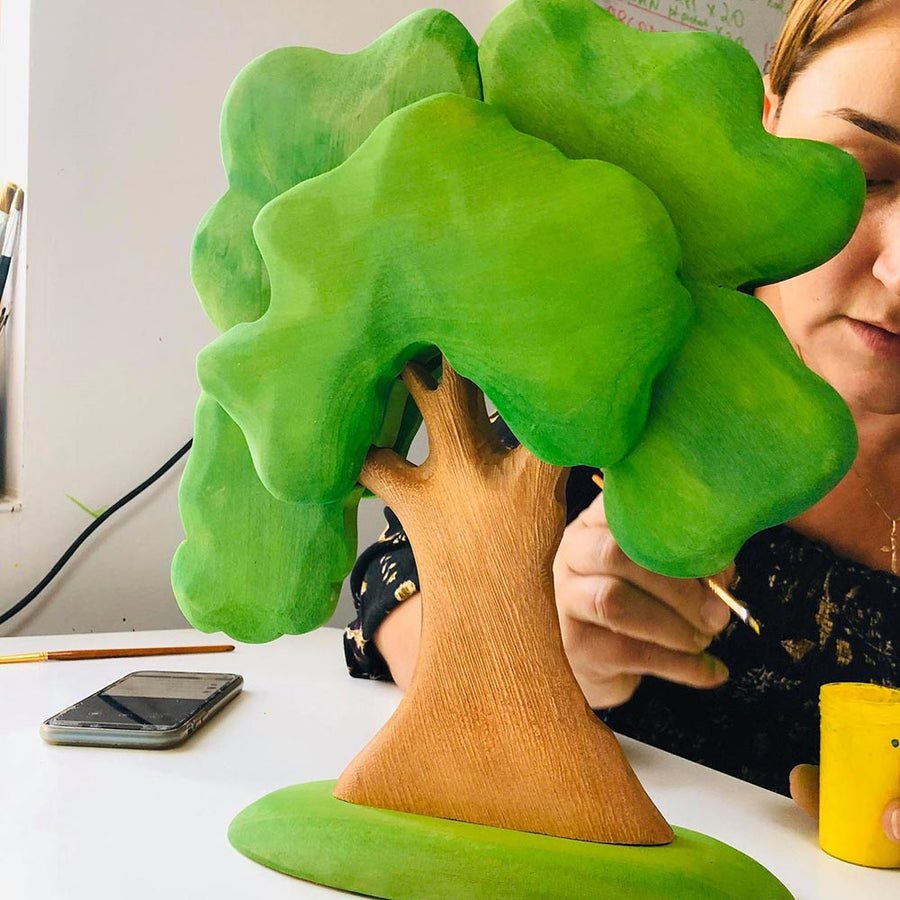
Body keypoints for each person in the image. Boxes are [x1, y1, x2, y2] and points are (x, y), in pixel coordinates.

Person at [344, 0, 900, 844]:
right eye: (864, 172)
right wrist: (524, 650)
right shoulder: (627, 361)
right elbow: (395, 581)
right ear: (766, 121)